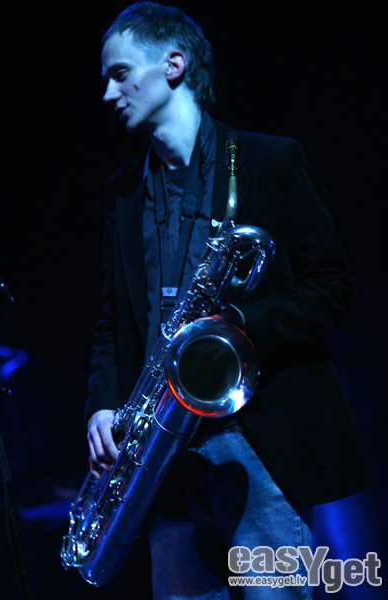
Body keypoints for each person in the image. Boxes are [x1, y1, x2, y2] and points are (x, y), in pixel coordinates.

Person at [85, 2, 374, 598]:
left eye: (120, 73)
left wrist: (236, 325)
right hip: (161, 455)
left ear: (173, 65)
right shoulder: (122, 193)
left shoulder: (272, 161)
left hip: (258, 438)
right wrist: (102, 406)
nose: (108, 93)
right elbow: (113, 322)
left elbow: (334, 288)